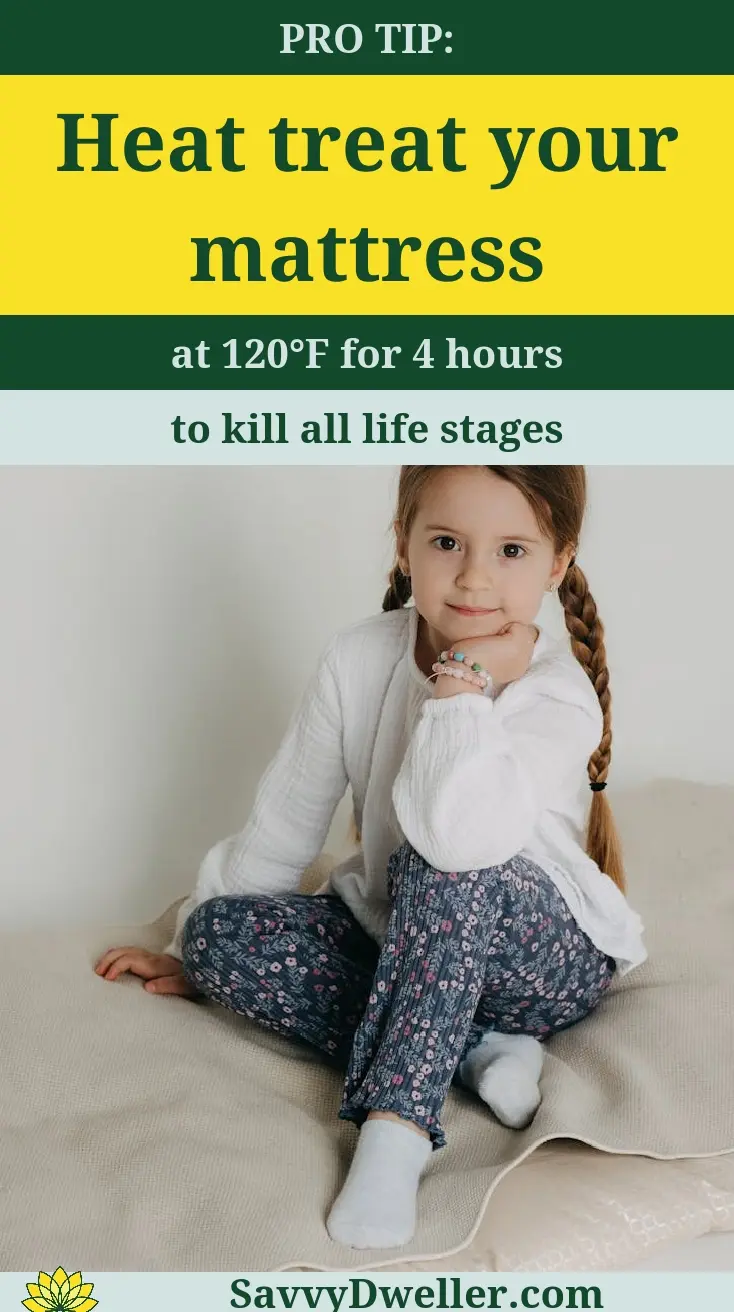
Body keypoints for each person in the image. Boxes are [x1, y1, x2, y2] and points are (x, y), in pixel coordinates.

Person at [94, 465, 646, 1251]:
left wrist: (462, 685)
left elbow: (460, 839)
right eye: (447, 542)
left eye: (514, 550)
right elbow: (286, 823)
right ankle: (470, 1048)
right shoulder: (358, 660)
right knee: (221, 933)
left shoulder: (557, 694)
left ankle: (397, 1128)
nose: (476, 576)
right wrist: (193, 948)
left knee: (435, 857)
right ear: (404, 543)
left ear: (557, 563)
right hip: (410, 948)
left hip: (542, 959)